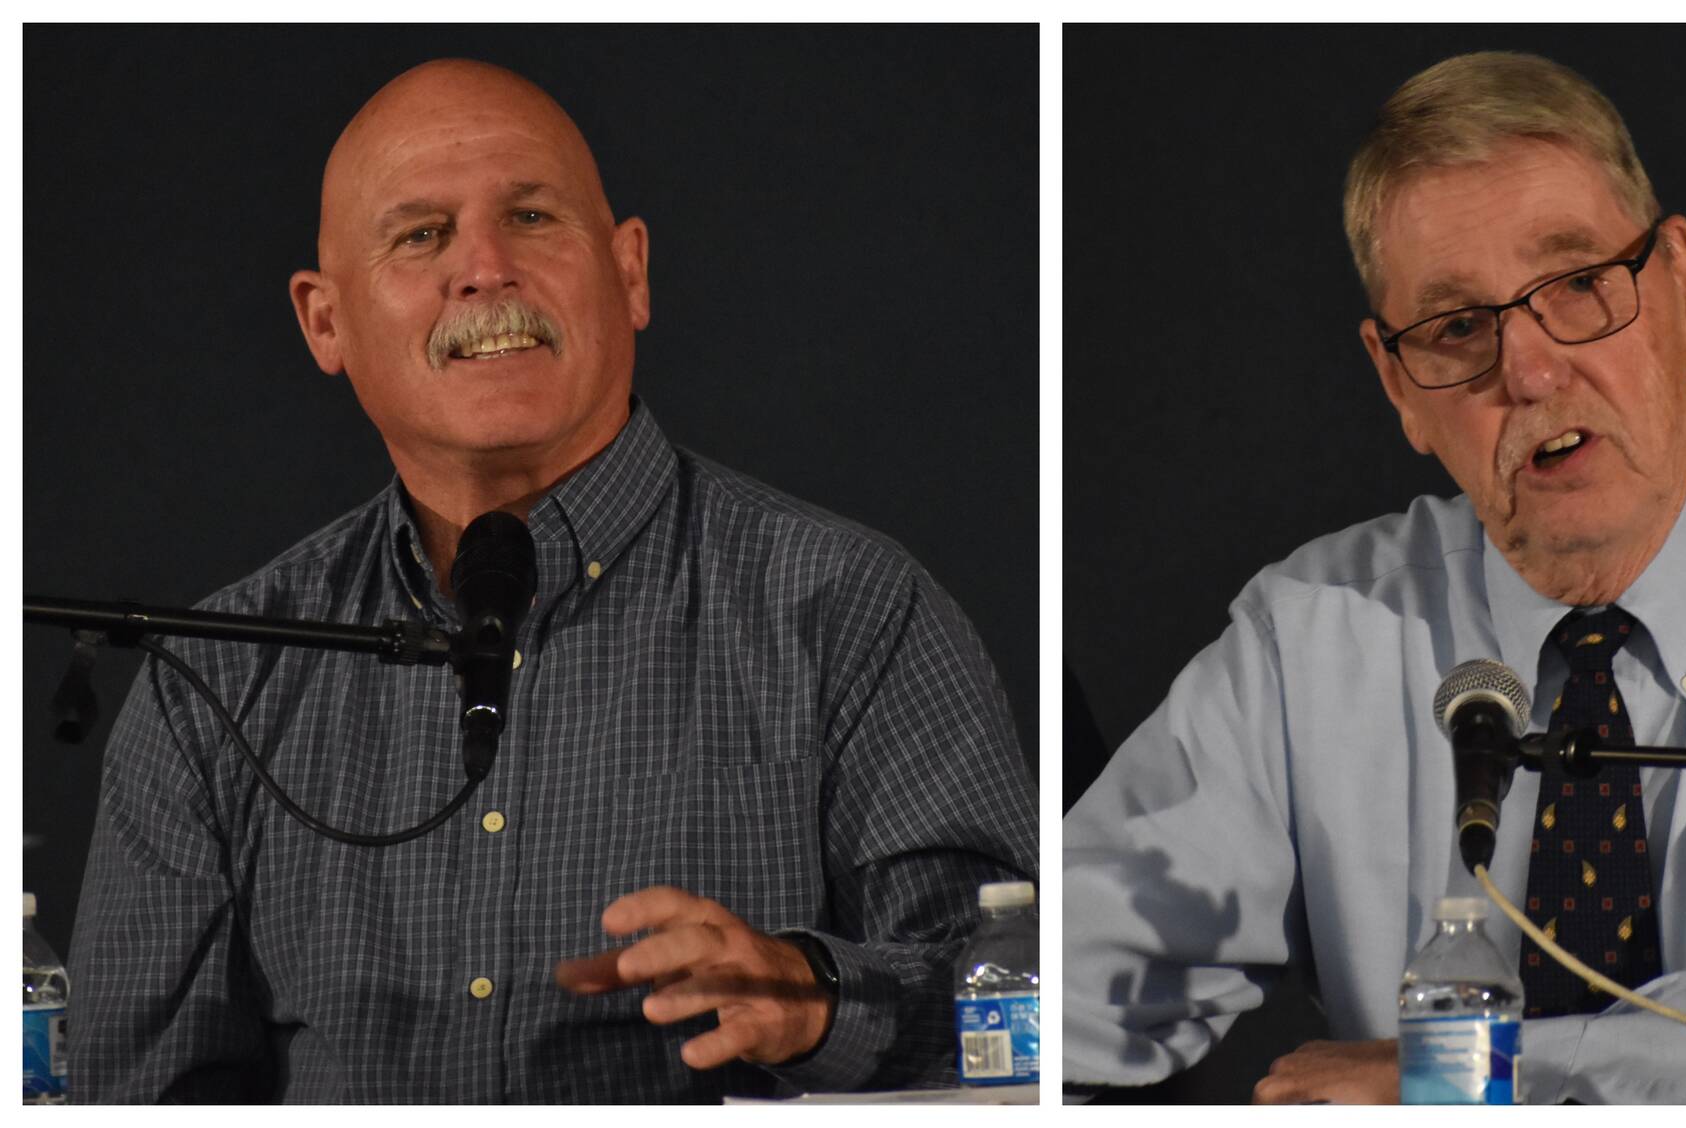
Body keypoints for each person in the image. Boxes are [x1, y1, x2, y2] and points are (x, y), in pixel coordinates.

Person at [69, 58, 1037, 1103]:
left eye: (531, 217)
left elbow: (1020, 1010)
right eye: (421, 235)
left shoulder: (847, 606)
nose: (484, 269)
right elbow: (137, 1097)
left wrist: (813, 1000)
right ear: (325, 322)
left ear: (629, 272)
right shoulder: (216, 668)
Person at [1063, 51, 1686, 1104]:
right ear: (1398, 387)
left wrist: (1470, 1079)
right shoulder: (1311, 637)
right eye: (1456, 329)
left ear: (1685, 295)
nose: (1526, 371)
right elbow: (1057, 982)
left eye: (1575, 286)